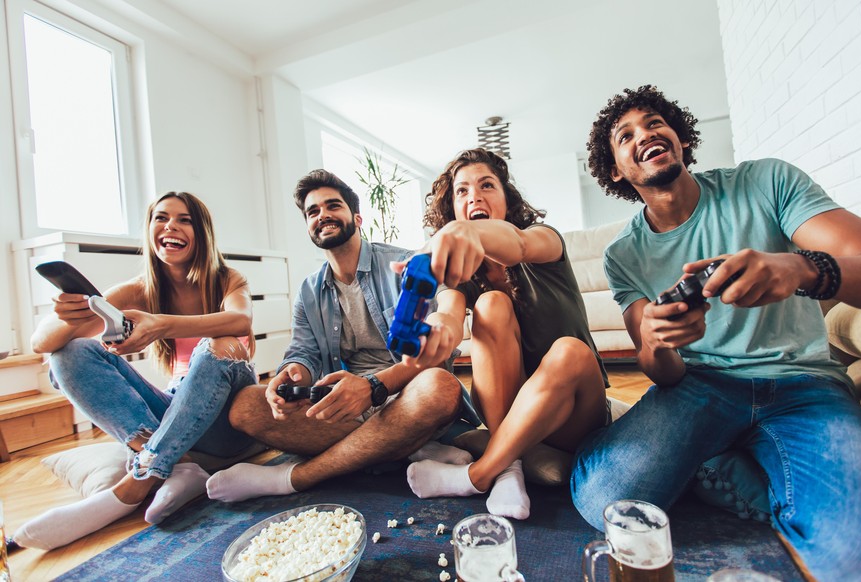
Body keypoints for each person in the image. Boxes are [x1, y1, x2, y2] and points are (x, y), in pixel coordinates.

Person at [572, 85, 861, 580]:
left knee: (856, 549)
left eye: (654, 122)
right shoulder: (623, 255)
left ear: (680, 137)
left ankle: (722, 468)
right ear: (616, 170)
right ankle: (755, 470)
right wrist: (660, 340)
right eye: (626, 135)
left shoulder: (766, 181)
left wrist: (801, 268)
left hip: (806, 386)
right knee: (606, 500)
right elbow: (660, 372)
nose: (646, 134)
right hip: (700, 387)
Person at [205, 170, 478, 503]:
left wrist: (374, 387)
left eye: (332, 206)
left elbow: (438, 347)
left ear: (357, 217)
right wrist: (292, 375)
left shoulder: (402, 264)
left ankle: (294, 477)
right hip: (345, 406)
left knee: (441, 386)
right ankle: (408, 449)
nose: (323, 215)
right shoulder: (308, 291)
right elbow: (302, 352)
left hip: (409, 397)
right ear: (308, 226)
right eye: (313, 211)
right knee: (245, 406)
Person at [14, 192, 257, 550]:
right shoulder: (139, 289)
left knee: (214, 344)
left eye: (183, 219)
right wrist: (70, 316)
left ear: (201, 232)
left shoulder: (227, 279)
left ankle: (138, 481)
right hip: (179, 411)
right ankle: (177, 466)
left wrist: (160, 325)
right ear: (150, 229)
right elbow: (42, 343)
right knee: (69, 353)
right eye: (161, 217)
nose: (170, 225)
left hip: (229, 422)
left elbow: (240, 318)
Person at [403, 148, 609, 520]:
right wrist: (433, 333)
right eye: (462, 191)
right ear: (452, 205)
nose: (474, 197)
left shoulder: (543, 241)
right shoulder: (461, 276)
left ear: (506, 198)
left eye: (486, 186)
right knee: (491, 305)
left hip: (574, 408)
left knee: (569, 352)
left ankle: (478, 475)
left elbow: (518, 244)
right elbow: (449, 316)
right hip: (506, 406)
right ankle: (510, 467)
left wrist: (462, 232)